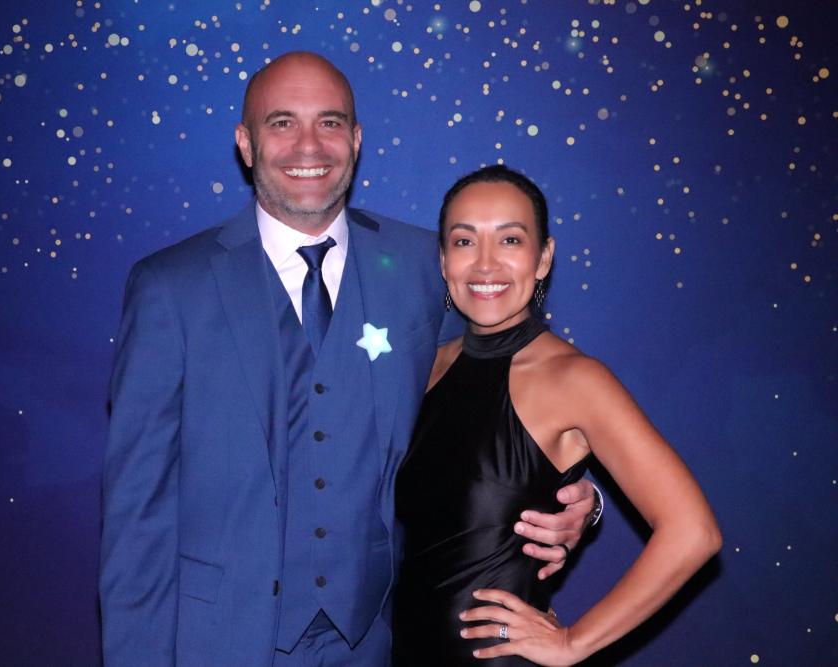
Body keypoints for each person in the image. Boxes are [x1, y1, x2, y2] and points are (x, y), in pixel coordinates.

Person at [99, 52, 598, 667]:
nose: (309, 145)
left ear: (356, 140)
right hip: (217, 640)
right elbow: (137, 512)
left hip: (380, 640)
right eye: (282, 122)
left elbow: (494, 403)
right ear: (246, 144)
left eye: (330, 122)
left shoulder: (430, 266)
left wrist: (572, 495)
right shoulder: (170, 287)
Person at [392, 165, 722, 666]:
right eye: (464, 241)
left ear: (543, 257)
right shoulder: (427, 366)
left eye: (510, 240)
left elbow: (693, 531)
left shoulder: (574, 379)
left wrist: (573, 642)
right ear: (443, 260)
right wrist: (587, 506)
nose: (485, 263)